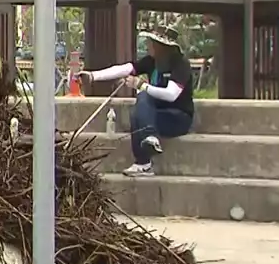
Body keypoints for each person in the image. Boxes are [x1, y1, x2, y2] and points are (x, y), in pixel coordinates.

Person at [77, 25, 195, 177]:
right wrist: (93, 76)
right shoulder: (151, 61)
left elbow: (171, 95)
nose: (148, 46)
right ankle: (143, 162)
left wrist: (141, 85)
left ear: (161, 46)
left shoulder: (180, 64)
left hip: (178, 117)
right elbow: (125, 68)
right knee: (139, 106)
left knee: (143, 95)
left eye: (151, 42)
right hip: (156, 114)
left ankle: (149, 140)